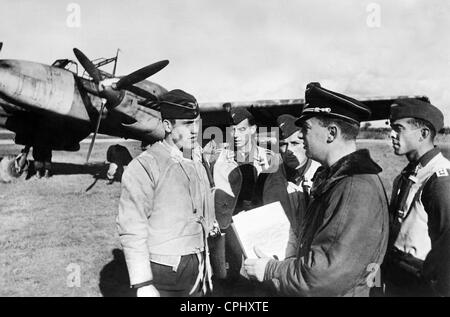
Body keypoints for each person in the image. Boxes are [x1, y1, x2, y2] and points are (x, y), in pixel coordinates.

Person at [244, 82, 389, 297]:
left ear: (331, 133)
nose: (302, 137)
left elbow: (322, 276)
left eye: (306, 129)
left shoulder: (353, 187)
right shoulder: (340, 180)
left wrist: (270, 269)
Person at [117, 89, 217, 297]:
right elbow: (132, 227)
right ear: (168, 126)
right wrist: (142, 282)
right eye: (187, 124)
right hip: (164, 271)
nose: (195, 130)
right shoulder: (145, 165)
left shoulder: (195, 160)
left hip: (199, 263)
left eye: (197, 122)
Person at [382, 98, 450, 297]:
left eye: (399, 128)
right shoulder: (407, 174)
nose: (391, 134)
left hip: (420, 282)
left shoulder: (439, 178)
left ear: (423, 134)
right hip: (395, 274)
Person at [213, 107, 278, 292]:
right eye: (232, 130)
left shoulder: (270, 158)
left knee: (262, 283)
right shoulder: (221, 159)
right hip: (231, 229)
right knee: (229, 281)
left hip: (260, 229)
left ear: (253, 129)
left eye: (241, 129)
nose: (235, 135)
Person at [263, 114, 320, 258]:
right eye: (283, 144)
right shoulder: (272, 180)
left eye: (295, 143)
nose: (288, 150)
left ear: (306, 143)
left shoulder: (322, 175)